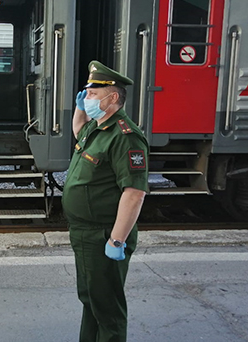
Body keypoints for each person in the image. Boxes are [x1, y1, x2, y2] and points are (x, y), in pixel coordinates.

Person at [62, 60, 149, 342]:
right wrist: (80, 107)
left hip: (103, 234)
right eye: (86, 94)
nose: (87, 99)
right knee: (91, 299)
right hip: (85, 232)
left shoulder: (126, 137)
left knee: (107, 307)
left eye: (92, 95)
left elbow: (134, 193)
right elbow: (78, 130)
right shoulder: (96, 127)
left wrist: (116, 240)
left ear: (112, 99)